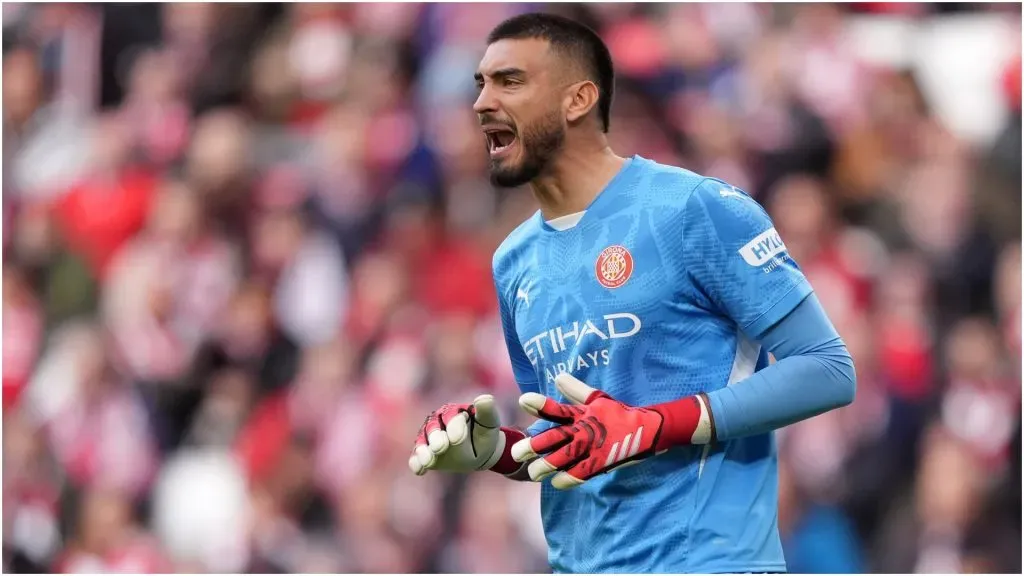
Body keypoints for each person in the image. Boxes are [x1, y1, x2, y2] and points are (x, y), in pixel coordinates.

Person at [409, 12, 856, 573]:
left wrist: (657, 424)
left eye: (510, 81)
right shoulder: (513, 263)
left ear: (579, 100)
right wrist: (500, 452)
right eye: (481, 84)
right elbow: (580, 440)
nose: (481, 103)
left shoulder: (695, 209)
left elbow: (829, 369)